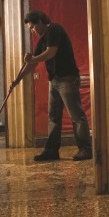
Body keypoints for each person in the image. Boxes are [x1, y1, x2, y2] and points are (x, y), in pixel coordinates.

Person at [12, 10, 92, 162]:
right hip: (54, 81)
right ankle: (51, 151)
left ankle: (86, 149)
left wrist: (33, 58)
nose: (32, 31)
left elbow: (51, 53)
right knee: (53, 117)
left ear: (40, 22)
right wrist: (17, 80)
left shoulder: (55, 29)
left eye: (32, 27)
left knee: (76, 115)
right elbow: (31, 64)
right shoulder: (42, 39)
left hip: (67, 78)